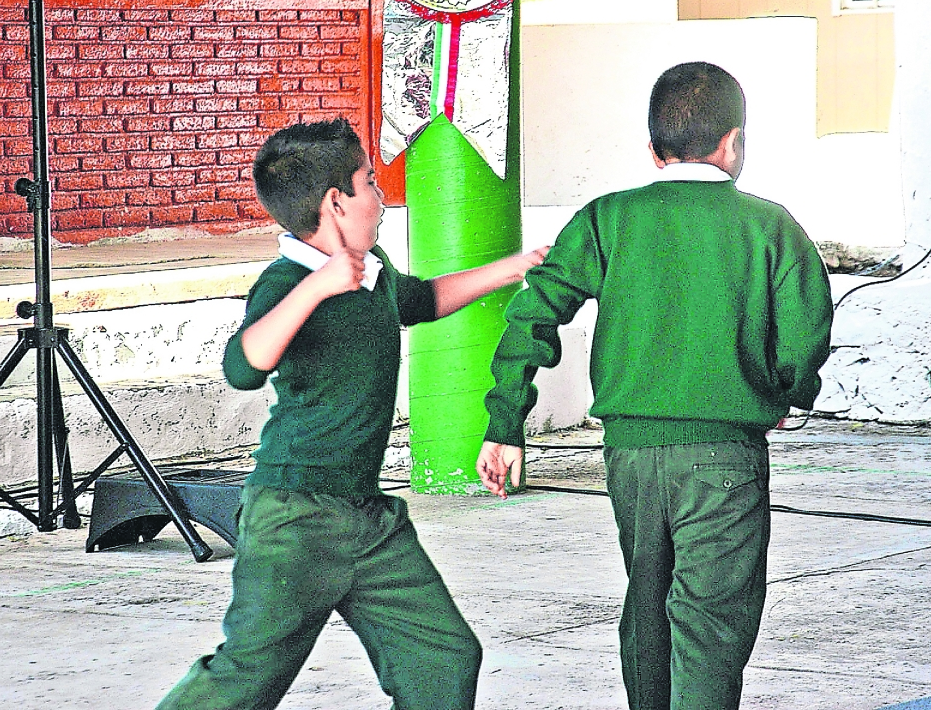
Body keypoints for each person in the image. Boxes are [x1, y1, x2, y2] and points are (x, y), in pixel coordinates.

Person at [476, 62, 834, 710]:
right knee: (710, 624)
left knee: (647, 606)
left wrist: (506, 423)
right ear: (734, 144)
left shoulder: (607, 219)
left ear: (653, 150)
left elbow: (532, 312)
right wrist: (787, 390)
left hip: (629, 457)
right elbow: (807, 328)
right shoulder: (770, 225)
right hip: (724, 455)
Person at [158, 117, 547, 710]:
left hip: (369, 521)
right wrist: (319, 287)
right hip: (295, 517)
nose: (382, 197)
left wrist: (518, 265)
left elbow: (422, 300)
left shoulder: (375, 270)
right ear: (336, 203)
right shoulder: (287, 281)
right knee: (244, 679)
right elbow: (243, 366)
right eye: (371, 182)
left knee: (443, 658)